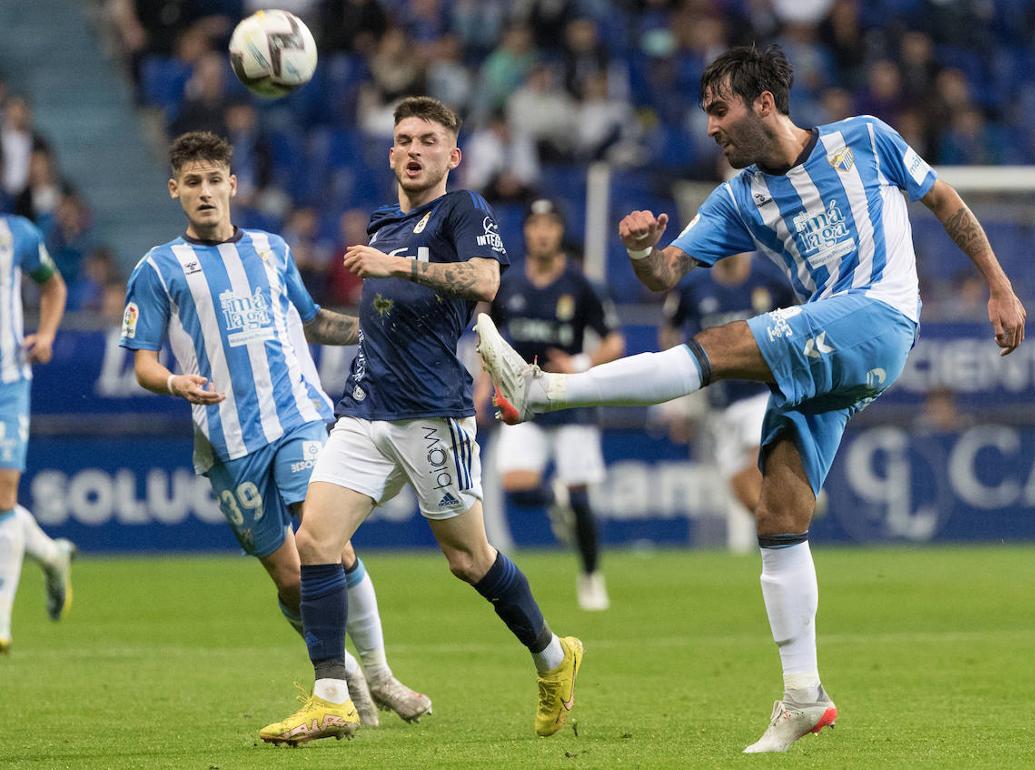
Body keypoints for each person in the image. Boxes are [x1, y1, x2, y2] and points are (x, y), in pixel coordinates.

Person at [477, 44, 1026, 753]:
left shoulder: (865, 138)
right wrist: (646, 251)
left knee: (725, 343)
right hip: (833, 345)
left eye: (719, 109)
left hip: (881, 315)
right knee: (778, 511)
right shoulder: (737, 199)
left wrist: (1000, 285)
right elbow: (666, 276)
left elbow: (945, 203)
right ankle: (803, 696)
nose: (710, 127)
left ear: (763, 102)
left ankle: (545, 389)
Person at [260, 97, 582, 745]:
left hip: (432, 413)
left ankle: (554, 658)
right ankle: (330, 697)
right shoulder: (381, 225)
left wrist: (399, 265)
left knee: (469, 560)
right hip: (364, 411)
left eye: (428, 140)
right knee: (316, 543)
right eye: (403, 139)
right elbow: (359, 325)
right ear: (390, 152)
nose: (413, 149)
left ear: (451, 156)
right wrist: (285, 312)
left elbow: (487, 282)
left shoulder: (463, 212)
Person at [119, 131, 429, 728]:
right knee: (290, 580)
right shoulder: (158, 269)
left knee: (328, 545)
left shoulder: (271, 250)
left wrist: (374, 331)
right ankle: (345, 676)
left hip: (298, 418)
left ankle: (382, 675)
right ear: (174, 191)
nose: (205, 192)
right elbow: (142, 362)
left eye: (215, 180)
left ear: (233, 185)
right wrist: (174, 383)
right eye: (192, 183)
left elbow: (312, 322)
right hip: (227, 442)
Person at [475, 198, 625, 610]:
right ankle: (553, 497)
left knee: (580, 499)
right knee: (517, 487)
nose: (542, 232)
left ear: (560, 232)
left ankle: (591, 575)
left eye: (550, 224)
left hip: (570, 401)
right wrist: (483, 389)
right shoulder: (508, 283)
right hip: (524, 404)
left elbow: (614, 340)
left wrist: (581, 362)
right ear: (525, 231)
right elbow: (492, 343)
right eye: (535, 224)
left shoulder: (582, 285)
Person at [659, 252, 794, 528]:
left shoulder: (770, 279)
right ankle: (786, 520)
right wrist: (677, 401)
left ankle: (790, 510)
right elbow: (670, 330)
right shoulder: (693, 286)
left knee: (758, 457)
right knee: (741, 487)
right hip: (718, 399)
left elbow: (795, 320)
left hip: (761, 392)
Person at [0, 212, 71, 656]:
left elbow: (54, 285)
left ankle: (1, 620)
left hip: (8, 380)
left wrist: (45, 335)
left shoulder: (17, 234)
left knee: (5, 495)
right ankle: (51, 555)